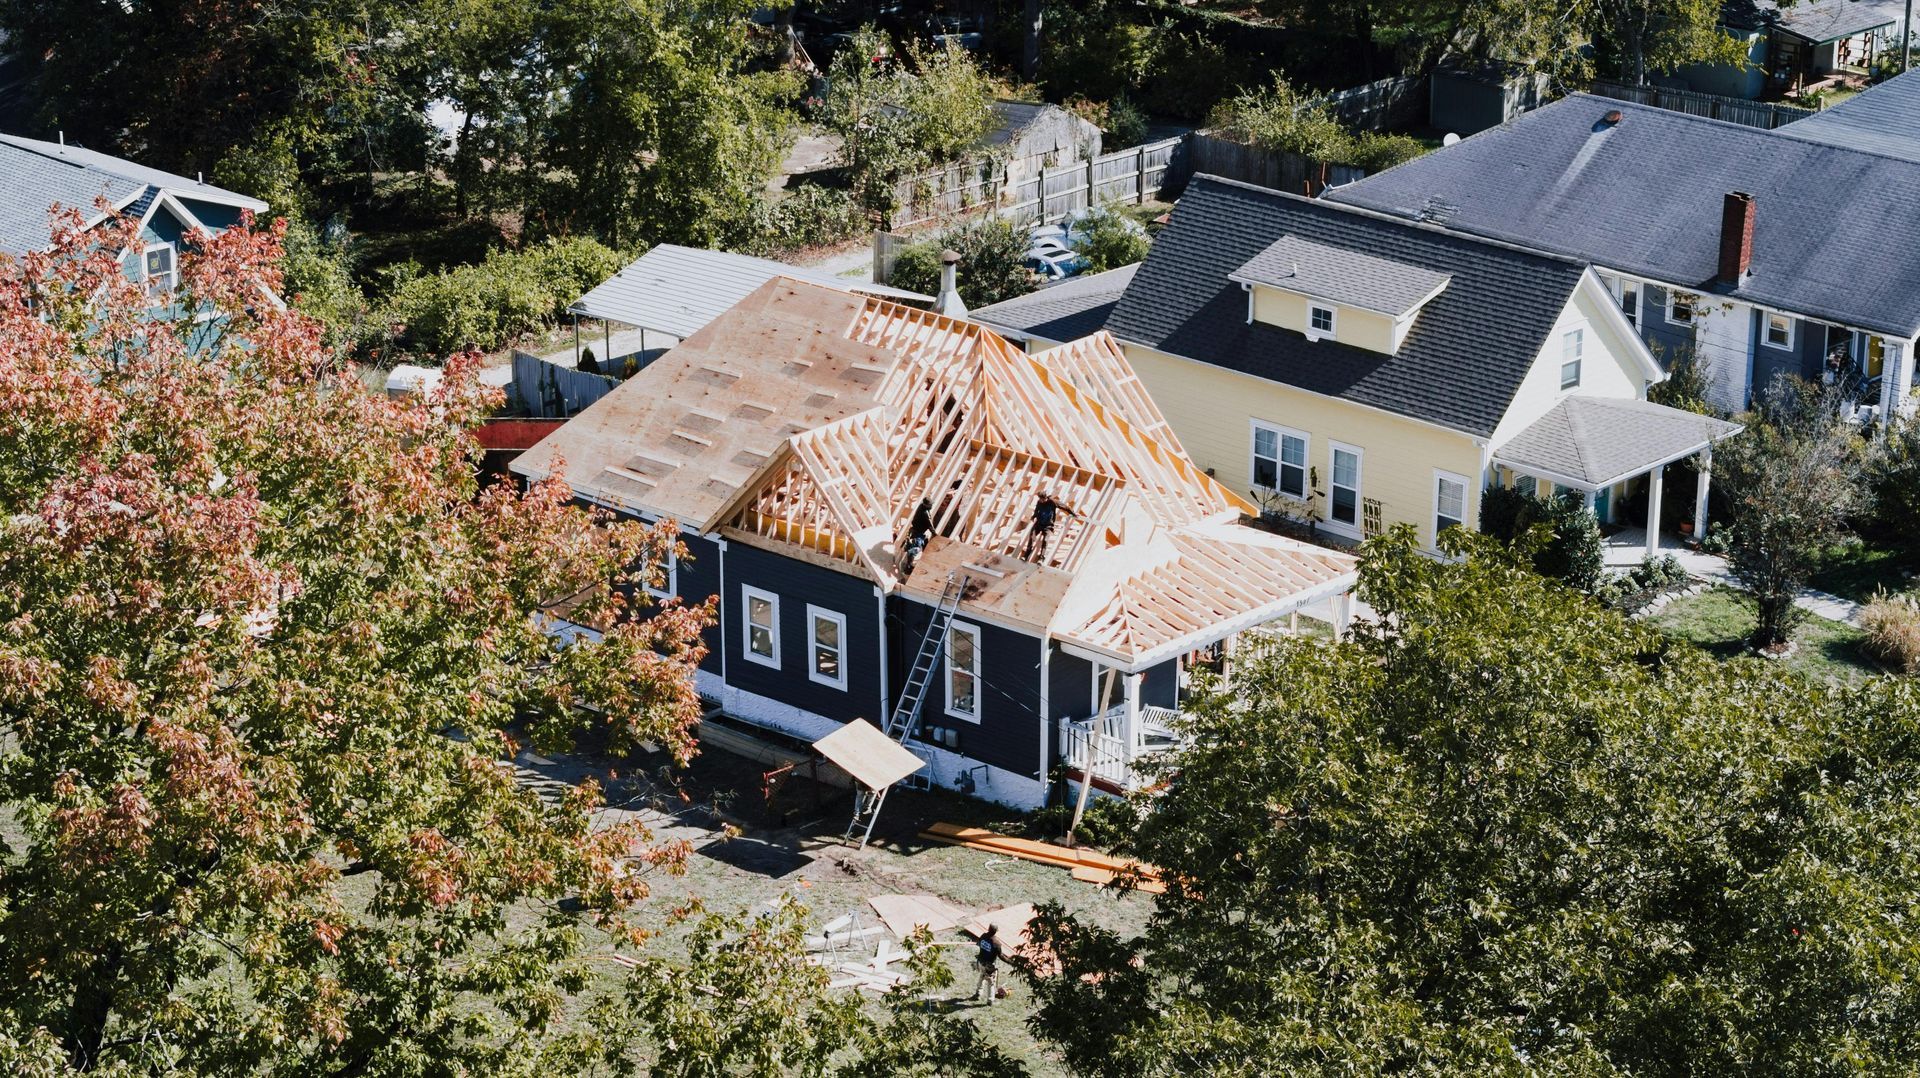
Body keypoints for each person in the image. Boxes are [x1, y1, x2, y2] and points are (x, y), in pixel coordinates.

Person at [1020, 492, 1076, 561]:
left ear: (1046, 497)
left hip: (1048, 526)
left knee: (1045, 541)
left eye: (1044, 499)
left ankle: (1041, 558)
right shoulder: (1039, 502)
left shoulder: (1053, 502)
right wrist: (1034, 516)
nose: (1042, 501)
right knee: (1032, 537)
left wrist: (1073, 513)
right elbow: (1036, 510)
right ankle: (1026, 555)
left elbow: (1065, 507)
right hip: (1038, 524)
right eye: (1041, 500)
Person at [901, 498, 935, 575]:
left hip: (915, 531)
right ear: (926, 505)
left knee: (922, 546)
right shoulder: (925, 513)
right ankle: (908, 568)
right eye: (930, 505)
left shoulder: (921, 506)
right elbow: (930, 525)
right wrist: (935, 534)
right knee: (915, 549)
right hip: (918, 533)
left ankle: (910, 564)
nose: (931, 506)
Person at [973, 924, 1003, 1004]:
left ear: (988, 928)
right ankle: (990, 1000)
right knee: (991, 982)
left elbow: (979, 944)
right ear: (996, 931)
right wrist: (1011, 962)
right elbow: (1001, 956)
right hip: (989, 965)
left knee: (982, 976)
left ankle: (978, 994)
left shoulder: (983, 936)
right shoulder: (996, 943)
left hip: (981, 961)